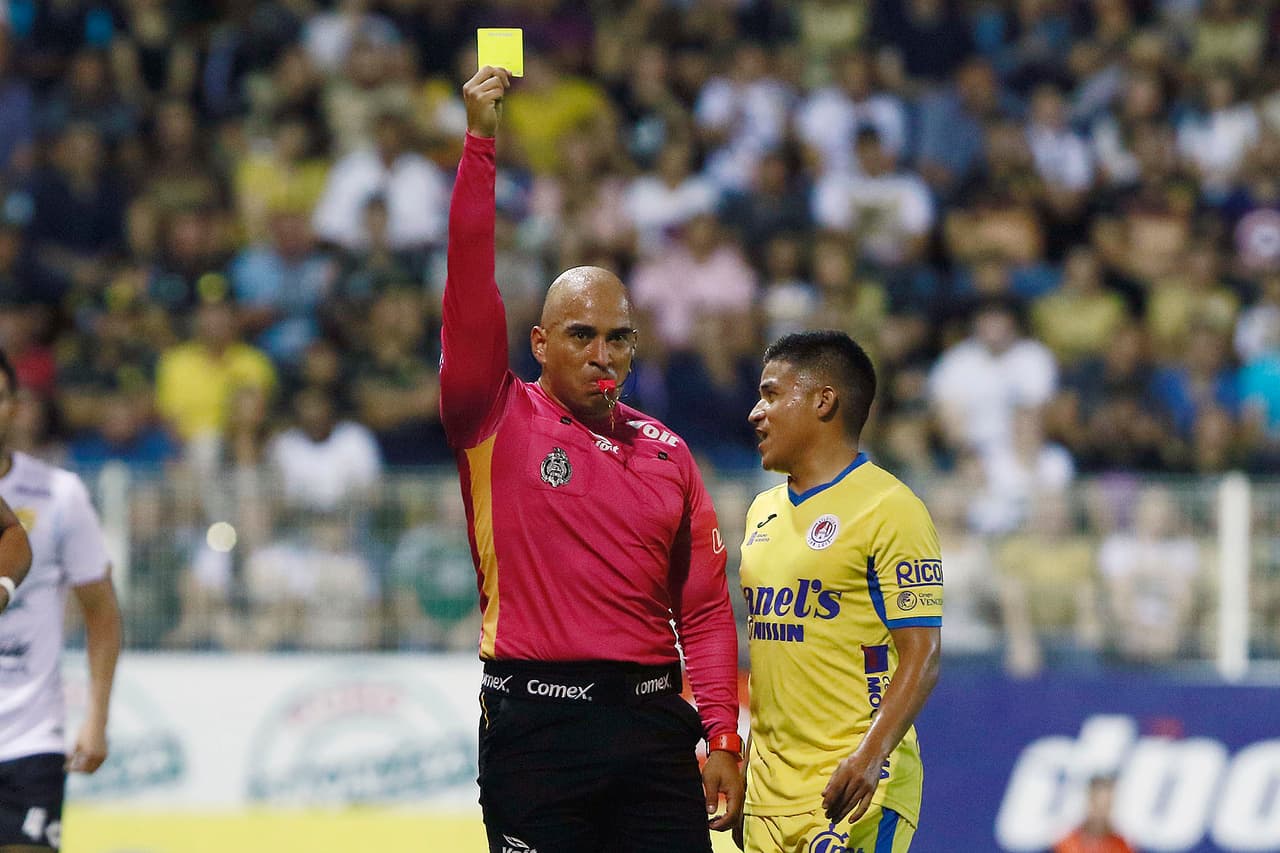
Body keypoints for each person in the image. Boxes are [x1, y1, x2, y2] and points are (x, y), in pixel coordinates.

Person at [442, 66, 744, 853]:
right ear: (539, 342)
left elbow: (706, 610)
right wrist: (480, 142)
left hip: (652, 729)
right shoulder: (493, 416)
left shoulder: (670, 453)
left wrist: (722, 735)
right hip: (536, 730)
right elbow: (470, 282)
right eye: (581, 335)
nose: (602, 355)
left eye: (619, 338)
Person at [737, 330, 943, 852]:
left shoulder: (891, 508)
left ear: (824, 400)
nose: (756, 413)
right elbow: (769, 662)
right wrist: (744, 765)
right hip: (768, 796)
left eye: (771, 394)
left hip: (854, 790)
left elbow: (923, 654)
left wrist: (871, 755)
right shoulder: (760, 513)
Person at [0, 348, 120, 852]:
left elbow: (101, 610)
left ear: (16, 406)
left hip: (30, 737)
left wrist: (96, 719)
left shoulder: (59, 493)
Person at [1054, 774, 1135, 853]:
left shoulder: (1122, 847)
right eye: (1097, 804)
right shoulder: (1065, 845)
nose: (1101, 812)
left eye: (1106, 805)